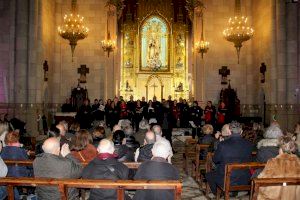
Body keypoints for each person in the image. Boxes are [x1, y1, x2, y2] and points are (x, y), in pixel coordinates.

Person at [205, 121, 253, 195]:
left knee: (209, 175)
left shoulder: (223, 144)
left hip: (226, 179)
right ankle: (233, 192)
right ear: (241, 131)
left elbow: (215, 160)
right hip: (245, 178)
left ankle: (222, 193)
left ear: (230, 131)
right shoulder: (249, 144)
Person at [257, 135, 300, 200]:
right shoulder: (298, 162)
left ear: (280, 149)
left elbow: (261, 181)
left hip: (274, 197)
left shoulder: (273, 162)